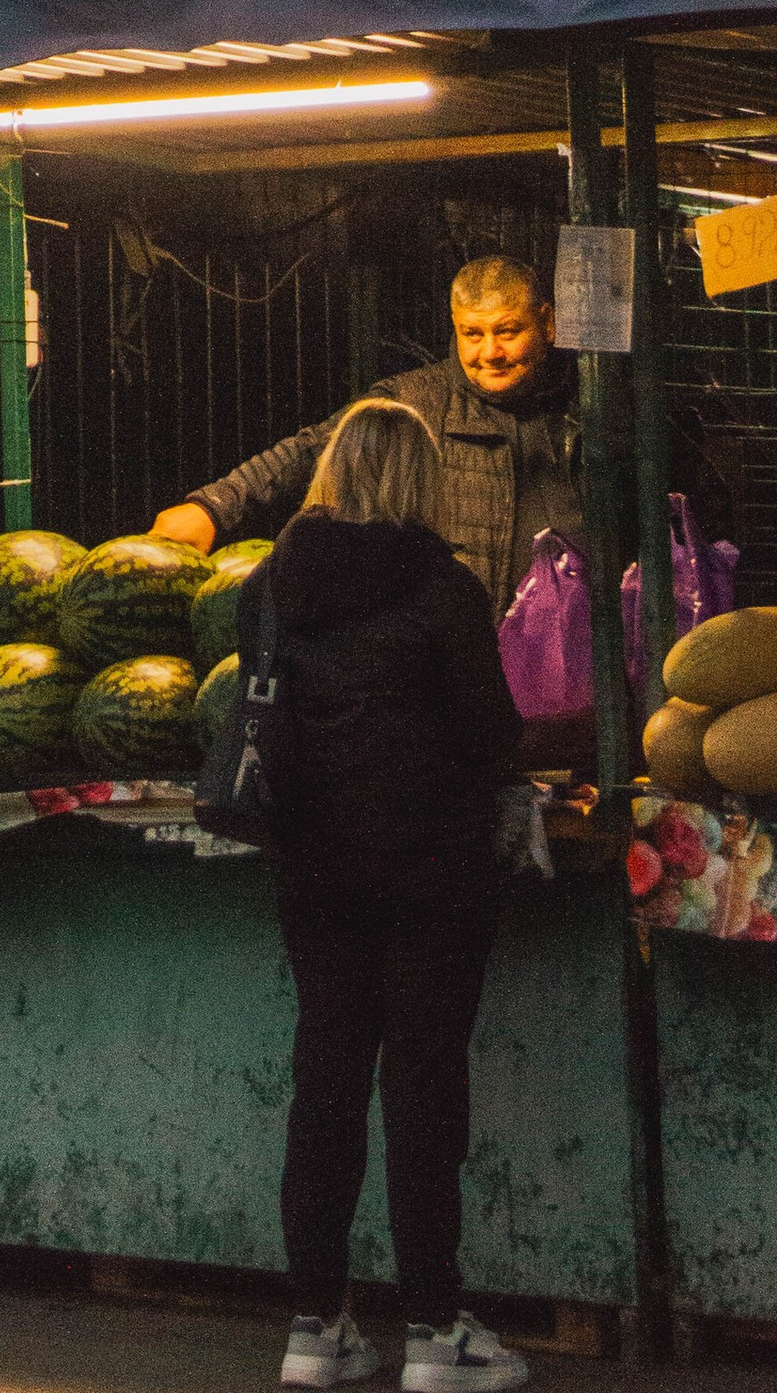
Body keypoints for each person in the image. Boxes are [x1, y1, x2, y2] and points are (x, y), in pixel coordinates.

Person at [261, 396, 528, 1393]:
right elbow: (492, 729)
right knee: (422, 1083)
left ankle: (313, 1325)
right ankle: (432, 1329)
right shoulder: (441, 585)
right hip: (430, 866)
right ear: (417, 480)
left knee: (324, 1077)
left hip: (313, 866)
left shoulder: (272, 582)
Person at [154, 250, 728, 617]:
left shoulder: (599, 407)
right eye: (472, 334)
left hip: (577, 660)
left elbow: (689, 507)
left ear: (548, 325)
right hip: (461, 648)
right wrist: (213, 506)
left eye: (509, 332)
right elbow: (312, 447)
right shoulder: (417, 401)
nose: (490, 353)